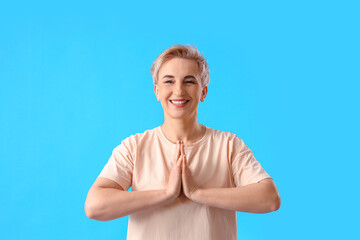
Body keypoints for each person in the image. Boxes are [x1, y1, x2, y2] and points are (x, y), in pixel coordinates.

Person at [84, 44, 281, 240]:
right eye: (169, 81)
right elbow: (94, 206)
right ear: (157, 91)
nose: (178, 90)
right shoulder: (134, 147)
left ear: (203, 92)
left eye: (189, 81)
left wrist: (197, 193)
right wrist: (165, 194)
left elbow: (269, 199)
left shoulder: (229, 145)